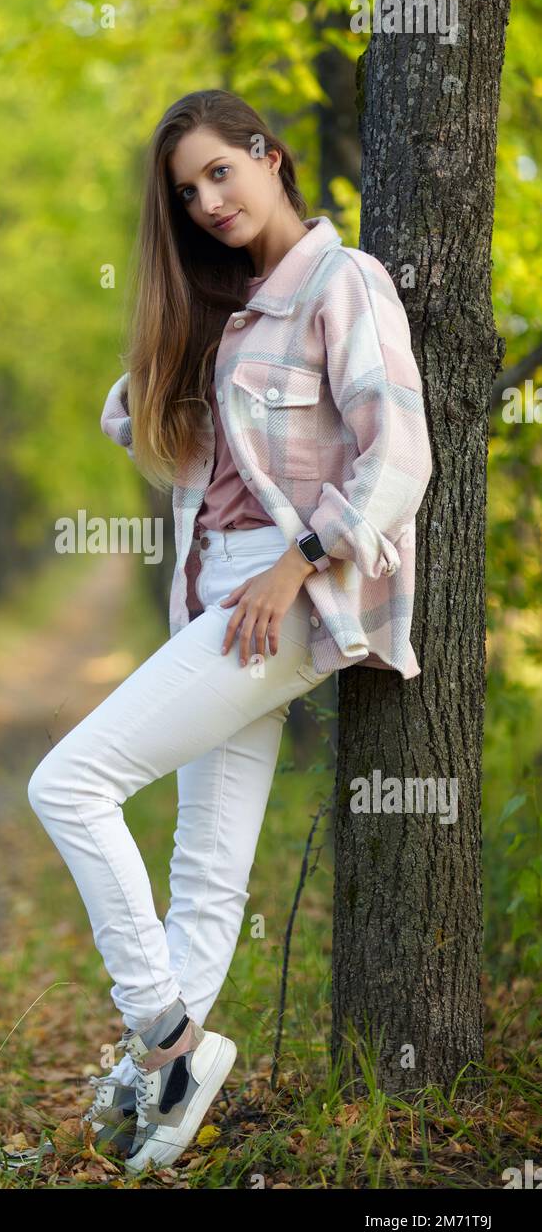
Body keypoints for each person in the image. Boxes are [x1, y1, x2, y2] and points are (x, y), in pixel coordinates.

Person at [26, 88, 433, 1175]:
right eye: (185, 192)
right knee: (204, 871)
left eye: (220, 171)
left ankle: (164, 1036)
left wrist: (299, 564)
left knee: (67, 783)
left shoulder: (343, 283)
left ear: (270, 157)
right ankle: (164, 1104)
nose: (207, 200)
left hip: (287, 594)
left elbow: (398, 457)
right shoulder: (233, 305)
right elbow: (133, 417)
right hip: (218, 593)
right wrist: (192, 323)